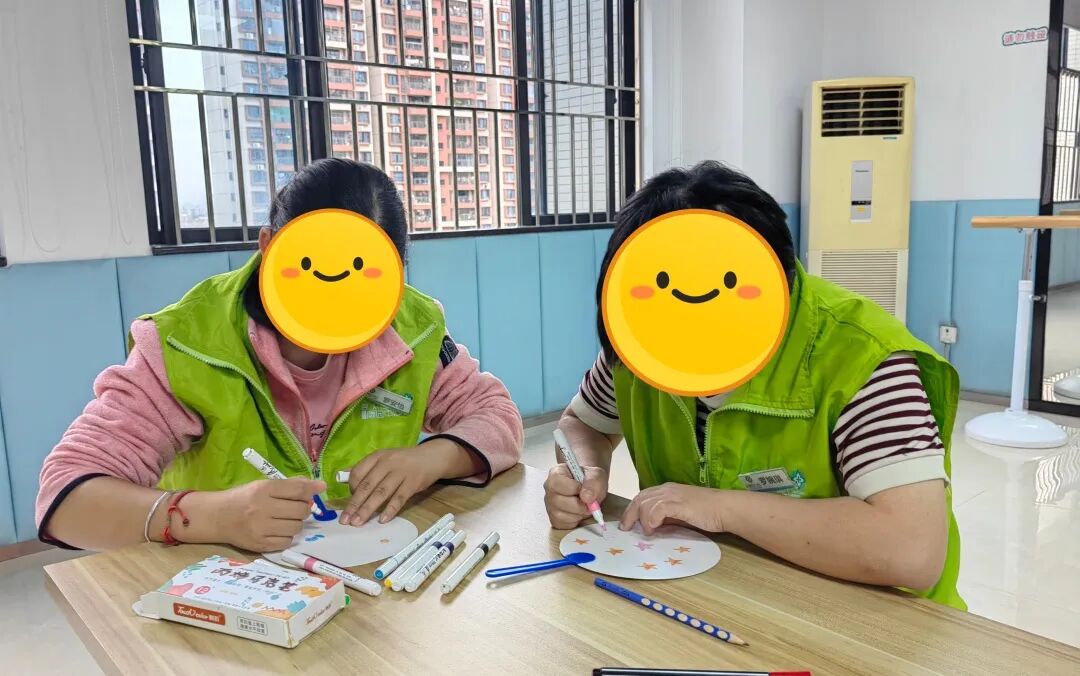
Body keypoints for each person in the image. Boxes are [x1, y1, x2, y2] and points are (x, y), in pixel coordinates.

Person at [37, 158, 522, 553]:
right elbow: (66, 497)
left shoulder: (412, 327)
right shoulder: (187, 342)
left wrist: (434, 457)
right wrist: (211, 516)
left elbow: (496, 415)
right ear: (269, 247)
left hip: (369, 572)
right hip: (232, 589)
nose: (336, 302)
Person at [543, 161, 965, 609]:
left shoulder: (862, 356)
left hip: (872, 618)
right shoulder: (644, 338)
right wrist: (586, 471)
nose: (691, 329)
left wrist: (720, 508)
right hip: (718, 593)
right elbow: (582, 423)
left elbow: (912, 549)